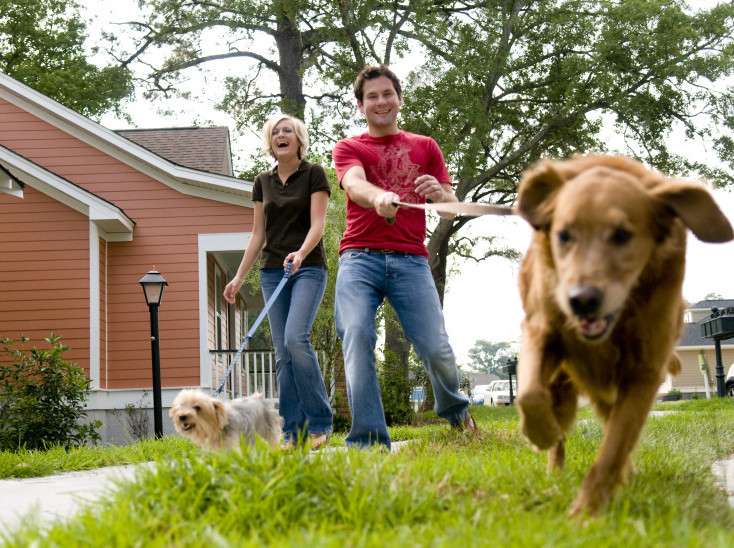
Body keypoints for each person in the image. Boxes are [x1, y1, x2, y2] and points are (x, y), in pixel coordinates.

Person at [332, 65, 476, 451]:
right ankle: (368, 441)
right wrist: (378, 197)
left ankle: (460, 418)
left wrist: (440, 194)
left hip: (411, 259)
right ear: (361, 105)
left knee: (435, 347)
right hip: (359, 257)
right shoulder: (350, 148)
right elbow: (354, 184)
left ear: (398, 98)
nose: (381, 102)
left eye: (387, 94)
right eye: (372, 97)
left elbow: (448, 209)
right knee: (357, 334)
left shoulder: (425, 146)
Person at [224, 113, 333, 450]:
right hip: (273, 271)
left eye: (287, 131)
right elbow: (258, 233)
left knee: (296, 338)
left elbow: (318, 224)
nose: (280, 135)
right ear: (270, 142)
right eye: (275, 132)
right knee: (283, 352)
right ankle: (293, 432)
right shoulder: (262, 181)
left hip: (308, 267)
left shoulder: (314, 173)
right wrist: (240, 275)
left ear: (299, 139)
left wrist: (300, 253)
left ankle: (320, 423)